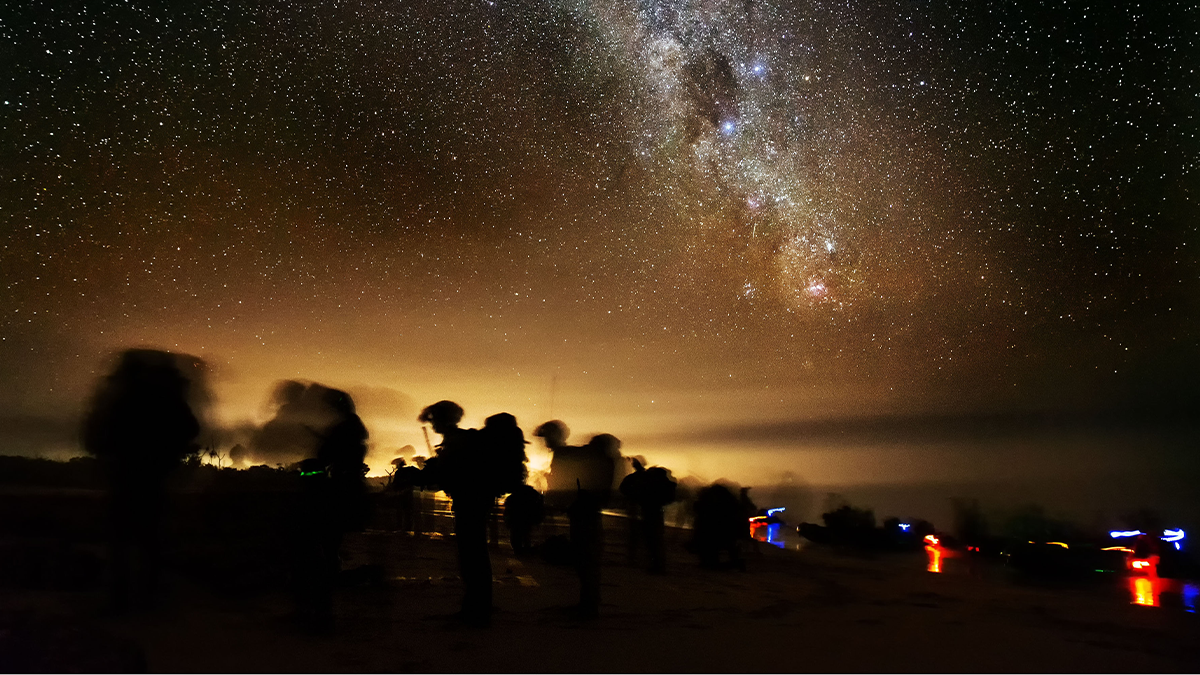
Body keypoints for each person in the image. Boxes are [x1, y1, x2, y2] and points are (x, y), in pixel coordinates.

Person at [82, 349, 203, 612]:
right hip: (154, 477)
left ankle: (121, 602)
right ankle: (149, 600)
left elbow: (95, 436)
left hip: (125, 477)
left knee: (122, 542)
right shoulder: (165, 398)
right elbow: (191, 428)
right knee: (150, 541)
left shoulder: (120, 398)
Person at [419, 400, 493, 626]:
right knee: (475, 555)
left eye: (433, 420)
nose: (432, 426)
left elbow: (449, 475)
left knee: (472, 557)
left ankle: (476, 613)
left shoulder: (457, 442)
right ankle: (478, 608)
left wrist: (422, 475)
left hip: (470, 504)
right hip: (475, 502)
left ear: (442, 419)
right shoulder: (461, 440)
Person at [570, 433, 620, 618]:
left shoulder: (597, 461)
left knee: (586, 559)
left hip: (586, 512)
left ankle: (588, 604)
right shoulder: (608, 461)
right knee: (589, 560)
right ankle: (589, 602)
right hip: (592, 511)